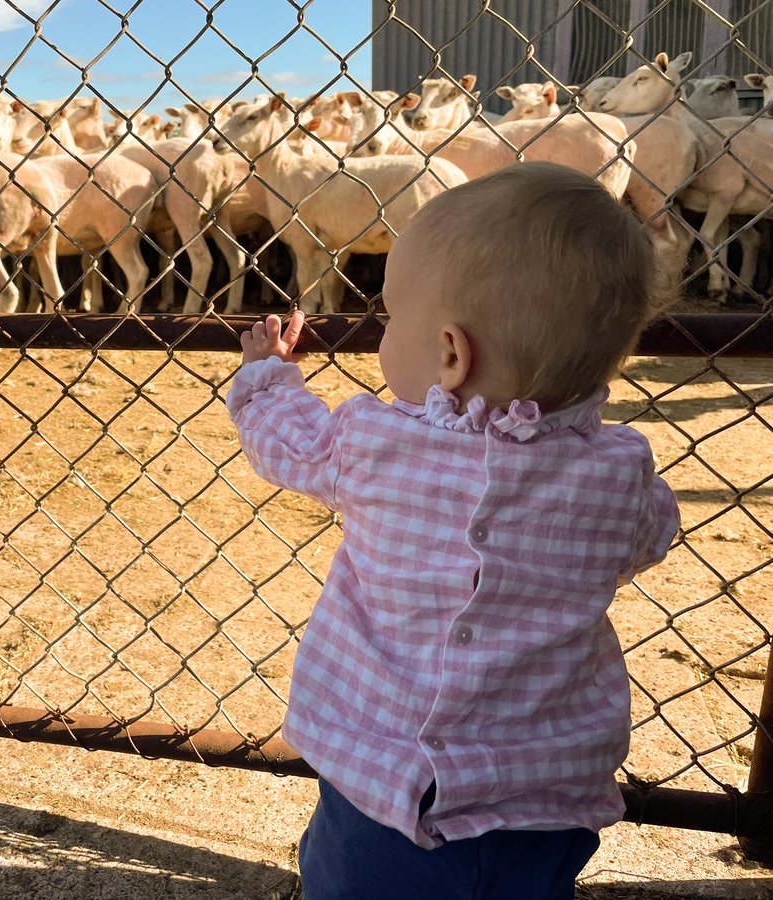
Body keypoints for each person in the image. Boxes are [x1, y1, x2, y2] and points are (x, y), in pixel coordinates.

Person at [227, 162, 681, 900]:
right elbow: (652, 535)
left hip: (386, 781)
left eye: (390, 319)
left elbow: (287, 443)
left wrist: (264, 379)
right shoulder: (619, 473)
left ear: (448, 352)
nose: (382, 336)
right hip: (545, 797)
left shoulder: (375, 442)